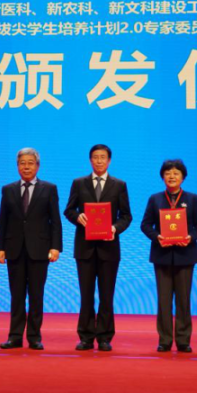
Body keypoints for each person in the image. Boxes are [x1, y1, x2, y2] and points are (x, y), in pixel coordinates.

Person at [64, 144, 132, 352]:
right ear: (90, 160)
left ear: (109, 160)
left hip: (109, 249)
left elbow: (126, 216)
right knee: (86, 295)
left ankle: (104, 337)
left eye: (103, 157)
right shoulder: (79, 183)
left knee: (106, 295)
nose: (99, 161)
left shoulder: (119, 185)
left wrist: (114, 228)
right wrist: (78, 217)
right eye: (95, 157)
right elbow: (69, 210)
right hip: (84, 248)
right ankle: (85, 337)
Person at [0, 148, 62, 350]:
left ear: (37, 166)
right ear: (17, 166)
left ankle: (34, 337)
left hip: (39, 249)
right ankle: (14, 336)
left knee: (36, 295)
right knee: (16, 295)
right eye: (22, 163)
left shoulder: (49, 188)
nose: (26, 167)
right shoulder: (8, 189)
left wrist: (56, 247)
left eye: (30, 163)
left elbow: (55, 221)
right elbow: (2, 219)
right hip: (14, 249)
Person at [141, 159, 197, 353]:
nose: (172, 176)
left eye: (176, 173)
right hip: (162, 255)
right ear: (162, 177)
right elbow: (145, 225)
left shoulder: (192, 199)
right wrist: (157, 237)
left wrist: (190, 237)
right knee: (164, 300)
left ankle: (183, 340)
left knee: (183, 300)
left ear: (183, 177)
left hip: (185, 255)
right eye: (168, 173)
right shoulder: (155, 199)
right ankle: (165, 340)